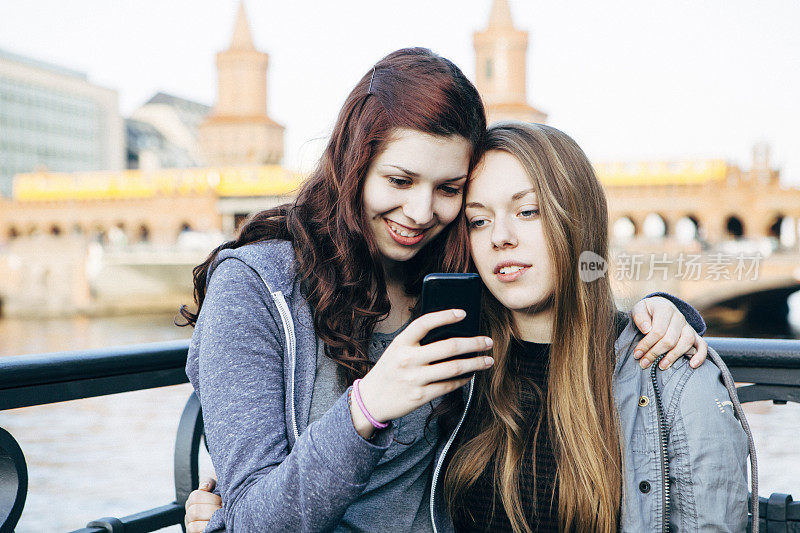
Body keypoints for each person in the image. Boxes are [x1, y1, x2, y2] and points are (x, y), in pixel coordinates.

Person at [182, 49, 709, 532]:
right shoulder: (258, 288)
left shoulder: (455, 272)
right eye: (400, 180)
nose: (420, 212)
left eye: (449, 189)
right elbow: (252, 520)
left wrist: (665, 311)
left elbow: (561, 298)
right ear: (352, 164)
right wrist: (366, 409)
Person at [435, 122, 756, 532]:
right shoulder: (455, 367)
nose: (500, 237)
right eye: (478, 220)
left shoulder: (671, 378)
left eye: (527, 211)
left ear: (577, 220)